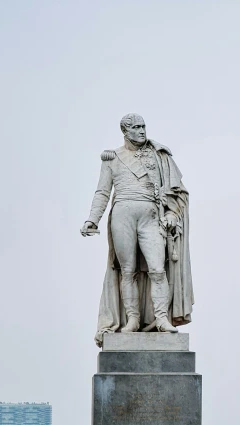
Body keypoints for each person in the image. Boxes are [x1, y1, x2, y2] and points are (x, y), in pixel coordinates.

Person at [81, 114, 194, 345]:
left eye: (143, 126)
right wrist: (93, 219)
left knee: (157, 268)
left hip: (150, 214)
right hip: (122, 213)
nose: (142, 131)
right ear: (125, 131)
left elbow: (176, 191)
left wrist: (172, 213)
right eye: (135, 127)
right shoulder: (112, 158)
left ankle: (161, 317)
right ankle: (132, 318)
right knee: (127, 271)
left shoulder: (158, 154)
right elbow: (102, 192)